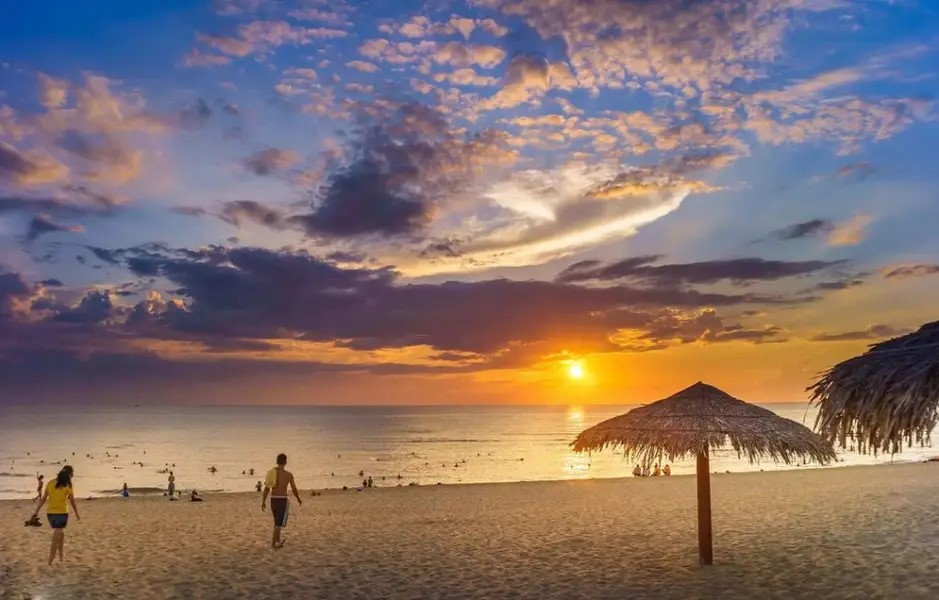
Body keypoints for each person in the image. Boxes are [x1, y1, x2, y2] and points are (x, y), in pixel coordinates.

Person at [30, 466, 80, 566]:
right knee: (56, 536)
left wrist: (36, 511)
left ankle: (61, 556)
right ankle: (50, 560)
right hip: (61, 514)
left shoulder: (50, 483)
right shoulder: (68, 485)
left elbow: (43, 499)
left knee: (61, 533)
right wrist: (77, 513)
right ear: (69, 474)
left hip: (51, 515)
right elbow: (72, 501)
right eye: (72, 474)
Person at [261, 453, 302, 549]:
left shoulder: (271, 473)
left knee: (276, 522)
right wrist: (298, 498)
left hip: (273, 499)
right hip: (282, 499)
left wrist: (263, 501)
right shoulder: (288, 475)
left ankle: (276, 541)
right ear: (285, 462)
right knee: (278, 523)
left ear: (277, 461)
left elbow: (267, 488)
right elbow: (294, 488)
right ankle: (274, 543)